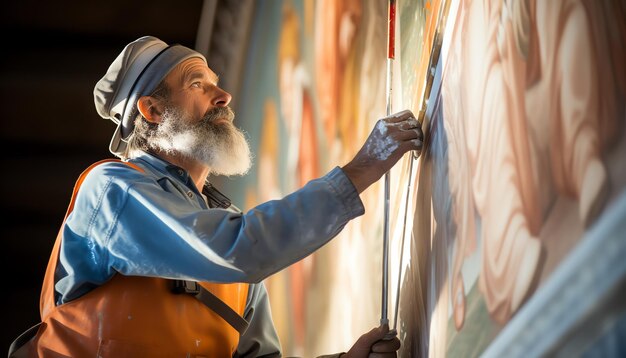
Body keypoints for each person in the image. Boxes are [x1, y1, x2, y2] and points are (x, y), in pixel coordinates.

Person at [24, 36, 423, 357]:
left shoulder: (230, 235)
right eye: (198, 83)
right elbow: (233, 249)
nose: (224, 96)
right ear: (152, 110)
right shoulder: (113, 188)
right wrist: (360, 170)